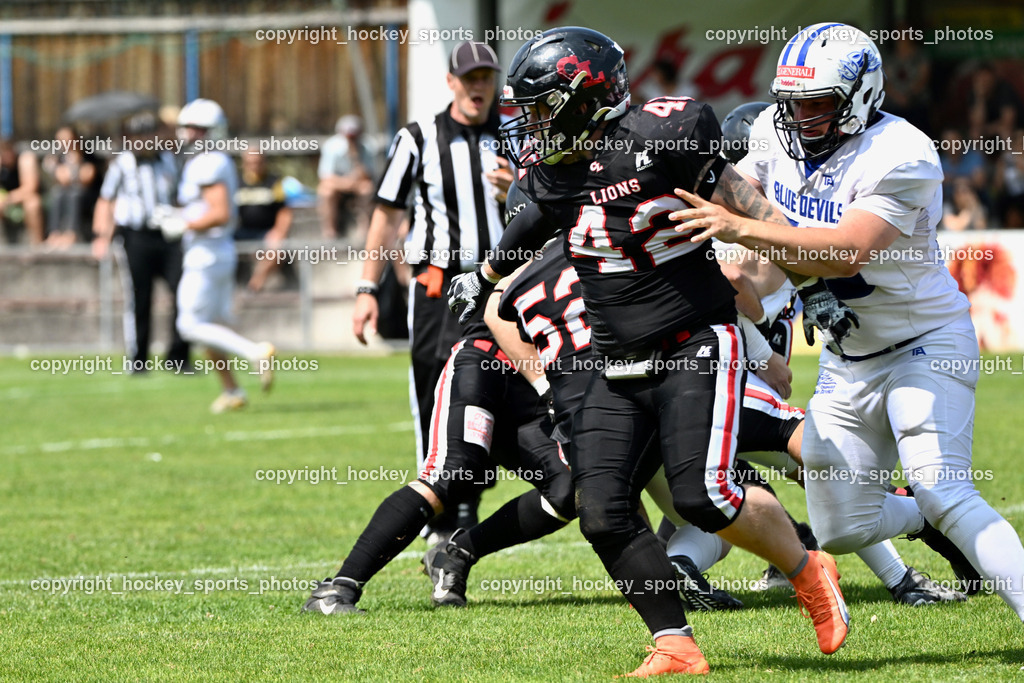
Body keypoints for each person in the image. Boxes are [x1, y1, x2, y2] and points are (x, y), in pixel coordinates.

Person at [449, 27, 850, 677]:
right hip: (616, 356)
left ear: (587, 97)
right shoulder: (557, 170)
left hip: (694, 340)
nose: (534, 124)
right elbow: (531, 224)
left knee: (701, 496)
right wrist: (486, 277)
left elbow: (752, 211)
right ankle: (675, 642)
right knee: (601, 506)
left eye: (544, 106)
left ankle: (808, 569)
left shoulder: (667, 133)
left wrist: (812, 284)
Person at [672, 23, 1024, 623]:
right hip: (847, 358)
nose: (800, 115)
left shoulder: (901, 151)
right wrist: (729, 280)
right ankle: (920, 516)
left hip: (924, 342)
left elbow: (843, 250)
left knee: (945, 490)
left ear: (860, 95)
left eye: (817, 101)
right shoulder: (768, 136)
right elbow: (763, 263)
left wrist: (741, 229)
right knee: (838, 528)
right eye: (792, 100)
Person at [302, 303, 574, 614]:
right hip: (487, 365)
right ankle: (336, 589)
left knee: (571, 488)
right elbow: (496, 308)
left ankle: (457, 553)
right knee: (450, 474)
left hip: (537, 387)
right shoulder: (542, 253)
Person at [352, 40, 513, 542]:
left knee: (509, 394)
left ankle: (469, 500)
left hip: (503, 283)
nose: (478, 87)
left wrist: (519, 192)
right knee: (434, 395)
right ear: (451, 82)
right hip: (440, 287)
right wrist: (366, 288)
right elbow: (386, 214)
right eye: (469, 78)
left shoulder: (512, 135)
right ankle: (440, 513)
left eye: (486, 77)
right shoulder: (418, 138)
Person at [173, 98, 275, 412]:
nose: (188, 134)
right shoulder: (215, 161)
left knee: (189, 326)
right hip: (216, 251)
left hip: (206, 253)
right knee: (212, 328)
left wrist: (182, 224)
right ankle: (232, 390)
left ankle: (254, 352)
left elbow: (219, 213)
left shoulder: (207, 162)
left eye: (195, 129)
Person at [93, 112, 191, 373]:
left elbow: (181, 196)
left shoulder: (170, 161)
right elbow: (106, 200)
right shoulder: (122, 164)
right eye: (140, 135)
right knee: (140, 297)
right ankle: (138, 359)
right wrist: (102, 236)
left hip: (168, 237)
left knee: (182, 293)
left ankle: (178, 358)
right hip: (136, 236)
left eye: (150, 133)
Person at [234, 149, 293, 292]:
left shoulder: (274, 182)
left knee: (277, 247)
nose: (254, 166)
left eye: (258, 162)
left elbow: (284, 212)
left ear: (264, 162)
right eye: (250, 163)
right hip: (240, 232)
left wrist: (278, 232)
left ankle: (254, 285)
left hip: (266, 232)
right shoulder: (236, 183)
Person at [317, 114, 374, 240]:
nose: (351, 138)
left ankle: (364, 231)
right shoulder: (331, 146)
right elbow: (325, 176)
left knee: (367, 189)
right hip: (339, 185)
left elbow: (367, 175)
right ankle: (329, 232)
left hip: (356, 185)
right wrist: (347, 183)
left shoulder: (367, 146)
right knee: (326, 191)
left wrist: (355, 157)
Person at [43, 126, 96, 250]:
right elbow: (61, 179)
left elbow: (88, 178)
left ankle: (71, 233)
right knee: (57, 194)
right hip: (65, 192)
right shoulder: (58, 157)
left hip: (88, 194)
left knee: (74, 194)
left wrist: (73, 170)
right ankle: (54, 233)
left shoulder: (87, 154)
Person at [0, 139, 44, 246]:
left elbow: (30, 188)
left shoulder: (25, 159)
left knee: (33, 203)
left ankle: (37, 245)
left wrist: (8, 198)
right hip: (9, 204)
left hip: (32, 199)